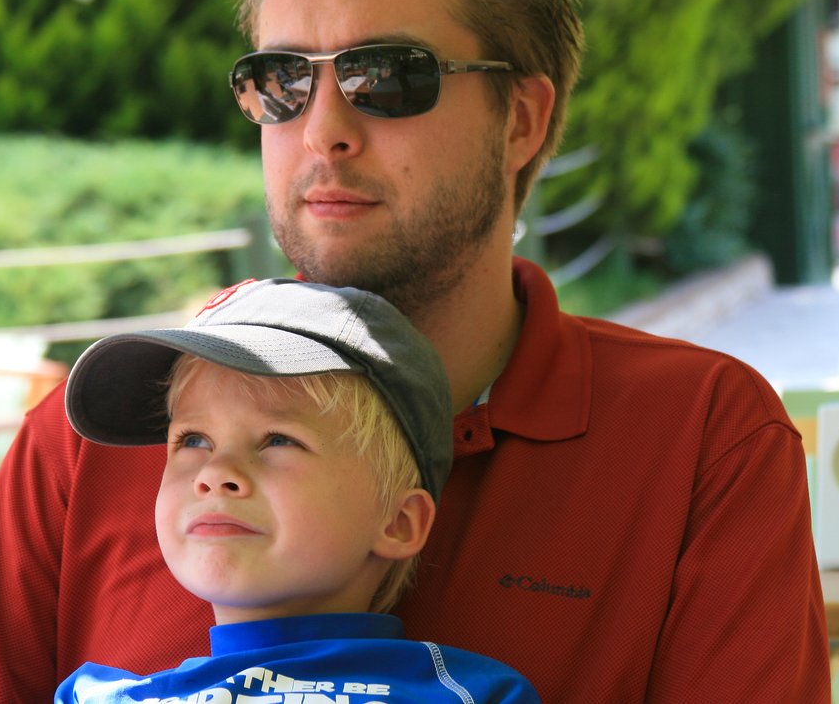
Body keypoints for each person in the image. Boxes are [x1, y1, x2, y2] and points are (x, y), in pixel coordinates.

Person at [0, 0, 829, 702]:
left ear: (522, 121)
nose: (323, 129)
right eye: (281, 81)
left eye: (387, 76)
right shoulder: (99, 430)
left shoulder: (704, 439)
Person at [53, 277, 539, 703]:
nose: (214, 472)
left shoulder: (468, 693)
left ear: (398, 521)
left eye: (278, 440)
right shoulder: (100, 695)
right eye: (192, 440)